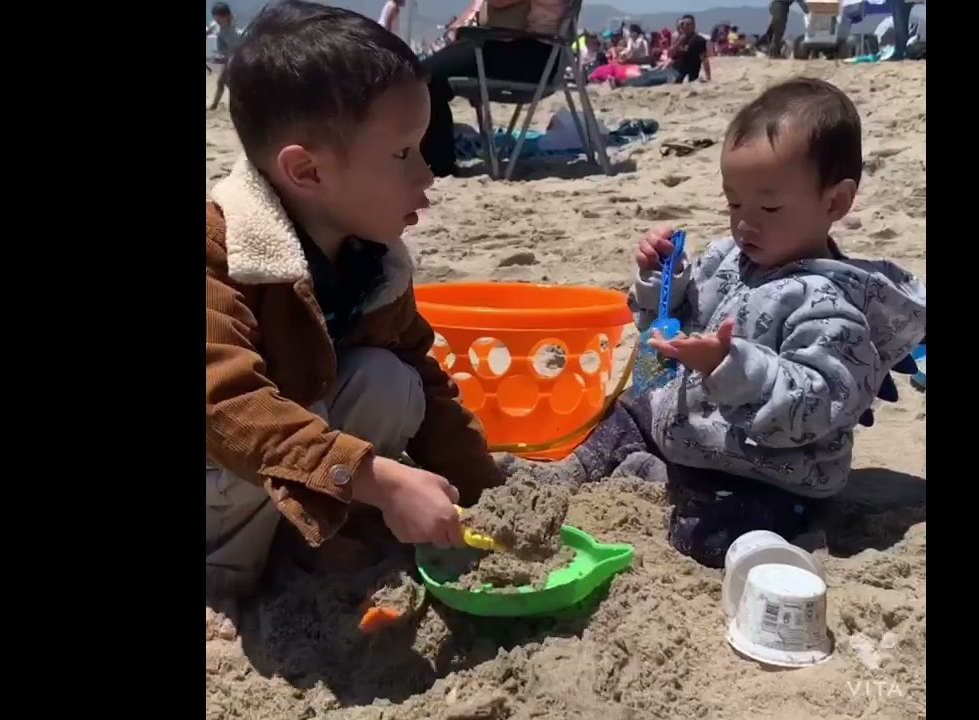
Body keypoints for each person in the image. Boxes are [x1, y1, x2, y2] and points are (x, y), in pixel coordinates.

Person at [500, 77, 927, 568]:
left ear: (834, 202)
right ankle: (575, 469)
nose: (745, 223)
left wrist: (729, 366)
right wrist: (662, 280)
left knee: (710, 538)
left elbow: (815, 405)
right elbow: (670, 320)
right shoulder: (729, 258)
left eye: (768, 207)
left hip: (767, 469)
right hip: (688, 425)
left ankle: (662, 483)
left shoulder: (830, 305)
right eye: (733, 203)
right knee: (623, 413)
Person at [206, 0, 505, 599]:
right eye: (402, 154)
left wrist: (487, 493)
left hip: (294, 458)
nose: (426, 174)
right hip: (219, 458)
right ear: (307, 172)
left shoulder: (373, 261)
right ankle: (221, 583)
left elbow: (425, 376)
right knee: (257, 426)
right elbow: (224, 401)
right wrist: (375, 477)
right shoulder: (226, 250)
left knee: (391, 380)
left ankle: (299, 538)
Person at [420, 0, 570, 178]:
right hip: (541, 54)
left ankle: (437, 163)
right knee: (428, 75)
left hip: (528, 53)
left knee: (423, 76)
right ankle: (435, 159)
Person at [206, 2, 244, 110]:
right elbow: (209, 30)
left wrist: (226, 58)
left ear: (226, 16)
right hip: (226, 58)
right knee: (222, 82)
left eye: (219, 19)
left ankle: (237, 104)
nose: (217, 22)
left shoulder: (234, 30)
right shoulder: (216, 25)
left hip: (236, 58)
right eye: (216, 19)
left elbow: (238, 48)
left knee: (227, 82)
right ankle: (215, 104)